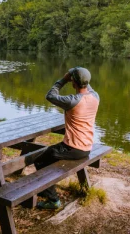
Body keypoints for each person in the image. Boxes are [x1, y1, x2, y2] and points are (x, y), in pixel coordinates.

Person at [34, 66, 100, 209]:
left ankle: (53, 200)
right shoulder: (95, 97)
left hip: (72, 148)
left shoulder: (72, 101)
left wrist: (63, 80)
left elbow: (50, 95)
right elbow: (86, 83)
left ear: (73, 83)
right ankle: (47, 189)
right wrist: (78, 75)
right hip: (87, 147)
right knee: (50, 154)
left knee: (39, 160)